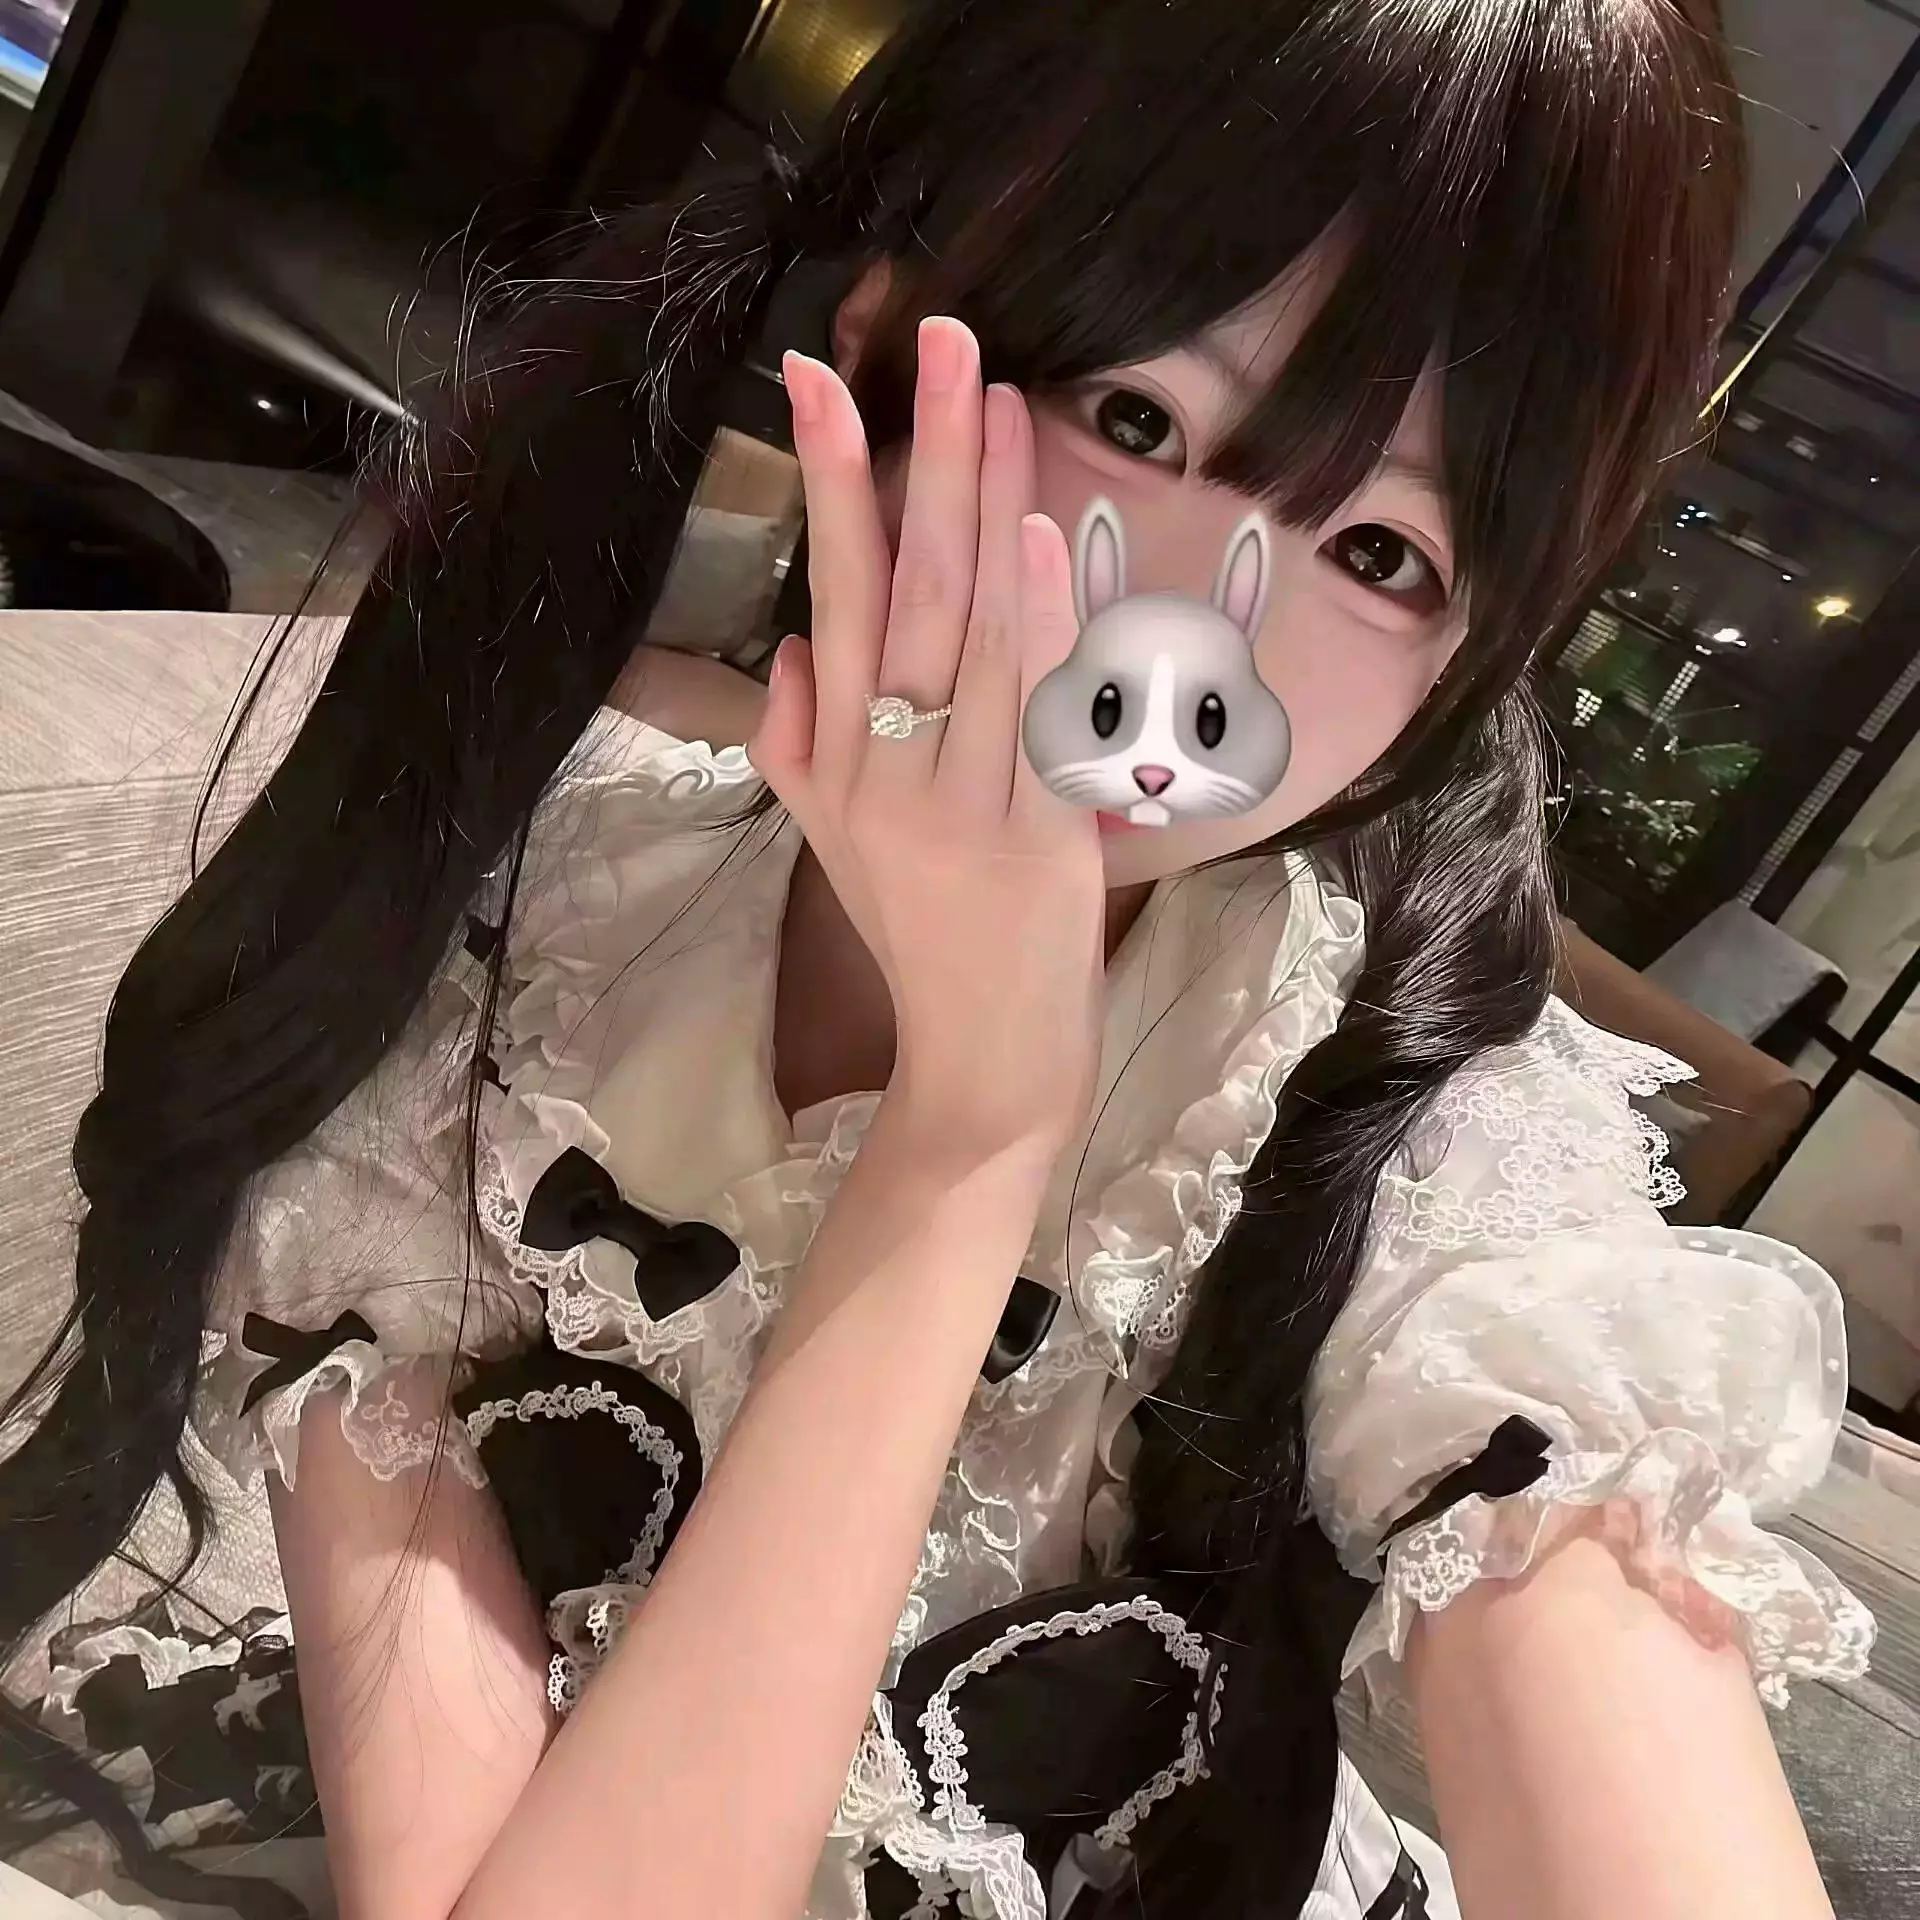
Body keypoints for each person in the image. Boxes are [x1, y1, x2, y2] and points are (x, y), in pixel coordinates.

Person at [0, 2, 1878, 1916]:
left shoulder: (1417, 1153)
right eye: (1137, 420)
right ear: (888, 339)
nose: (1192, 631)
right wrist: (975, 1122)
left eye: (1387, 555)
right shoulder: (512, 933)